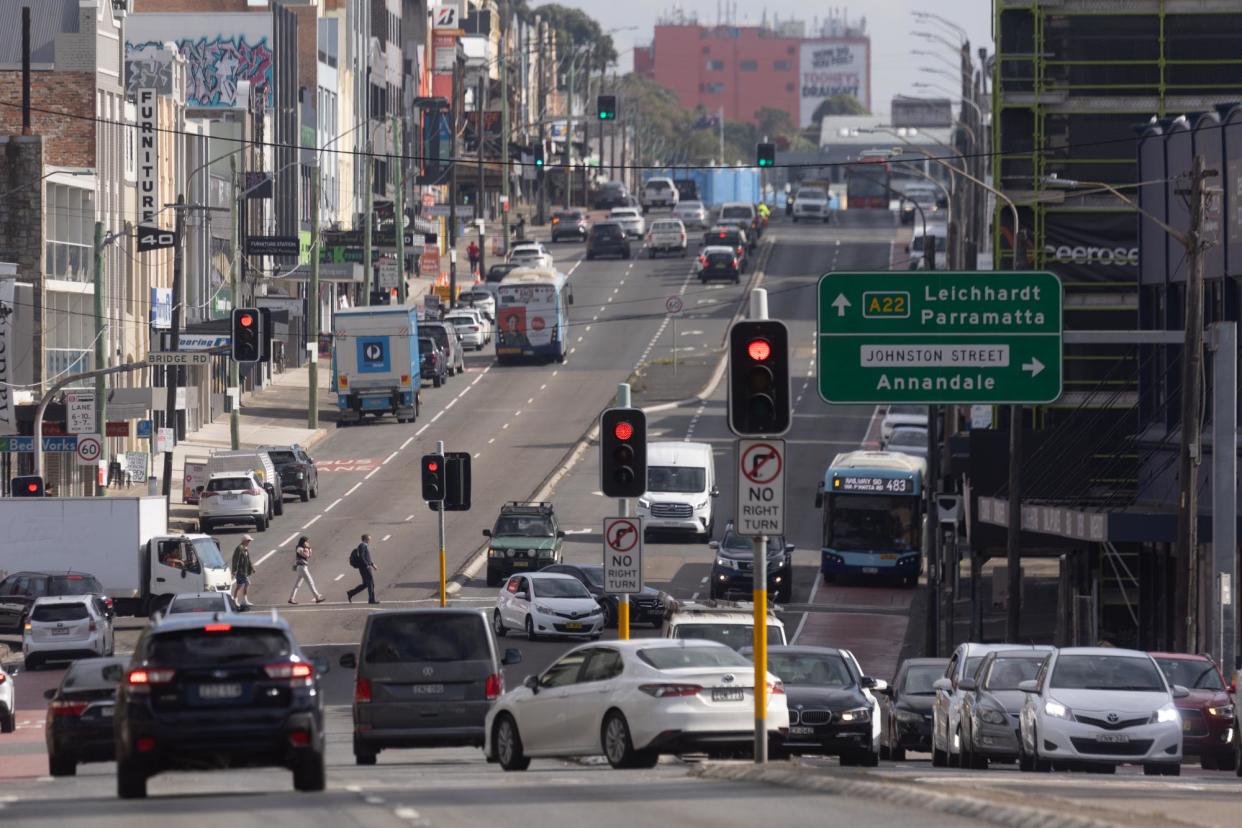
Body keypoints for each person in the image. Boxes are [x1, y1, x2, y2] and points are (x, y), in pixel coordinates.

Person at [288, 535, 326, 605]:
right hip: (302, 567)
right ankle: (317, 597)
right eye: (306, 541)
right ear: (303, 541)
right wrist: (308, 548)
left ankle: (291, 598)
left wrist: (309, 548)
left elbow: (309, 555)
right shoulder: (299, 548)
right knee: (310, 582)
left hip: (303, 567)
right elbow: (306, 555)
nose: (307, 543)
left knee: (297, 584)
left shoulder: (304, 548)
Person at [346, 533, 379, 605]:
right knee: (370, 584)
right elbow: (362, 557)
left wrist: (372, 565)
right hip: (365, 568)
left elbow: (367, 557)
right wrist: (367, 565)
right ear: (365, 539)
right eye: (369, 539)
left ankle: (351, 593)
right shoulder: (362, 546)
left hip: (364, 567)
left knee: (366, 584)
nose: (370, 541)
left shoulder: (363, 546)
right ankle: (371, 600)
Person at [231, 535, 255, 609]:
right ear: (244, 541)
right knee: (243, 584)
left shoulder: (245, 548)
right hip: (240, 571)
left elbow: (248, 559)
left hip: (244, 570)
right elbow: (235, 560)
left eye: (249, 541)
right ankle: (238, 601)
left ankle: (241, 600)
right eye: (248, 541)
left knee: (242, 585)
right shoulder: (239, 549)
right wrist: (234, 570)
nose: (249, 542)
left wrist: (252, 568)